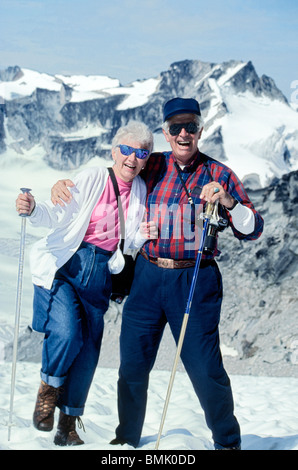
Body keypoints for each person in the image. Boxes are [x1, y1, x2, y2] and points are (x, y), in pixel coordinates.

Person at [51, 98, 264, 450]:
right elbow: (114, 175)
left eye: (190, 126)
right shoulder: (152, 165)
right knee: (132, 367)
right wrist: (65, 184)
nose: (183, 133)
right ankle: (126, 440)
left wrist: (228, 202)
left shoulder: (220, 175)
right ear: (165, 133)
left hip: (195, 279)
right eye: (175, 127)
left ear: (200, 130)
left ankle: (227, 443)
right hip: (147, 277)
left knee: (206, 369)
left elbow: (253, 228)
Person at [15, 120, 156, 446]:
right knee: (66, 332)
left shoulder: (140, 190)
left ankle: (68, 424)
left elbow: (128, 238)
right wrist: (34, 208)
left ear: (147, 158)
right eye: (127, 150)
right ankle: (47, 391)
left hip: (100, 276)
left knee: (89, 350)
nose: (132, 158)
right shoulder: (93, 177)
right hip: (67, 267)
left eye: (142, 153)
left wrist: (145, 234)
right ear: (113, 150)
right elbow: (55, 214)